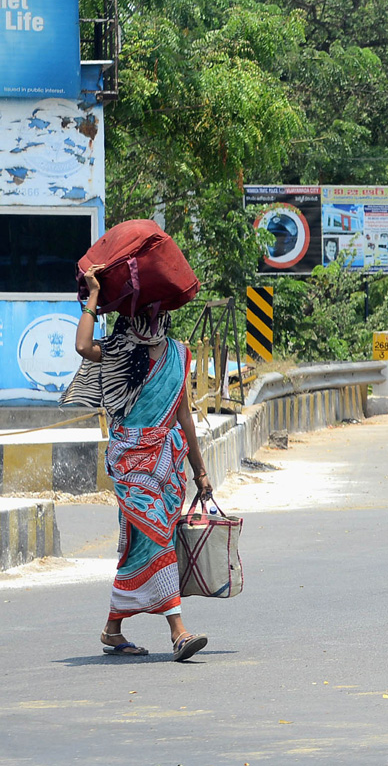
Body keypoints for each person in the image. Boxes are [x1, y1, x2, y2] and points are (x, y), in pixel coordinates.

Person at [63, 264, 214, 662]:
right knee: (158, 536)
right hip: (130, 461)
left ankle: (113, 629)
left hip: (167, 464)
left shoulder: (179, 355)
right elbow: (82, 347)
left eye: (157, 310)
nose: (152, 318)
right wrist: (94, 294)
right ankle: (179, 632)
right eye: (144, 310)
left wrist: (200, 472)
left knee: (140, 545)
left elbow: (184, 417)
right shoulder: (117, 351)